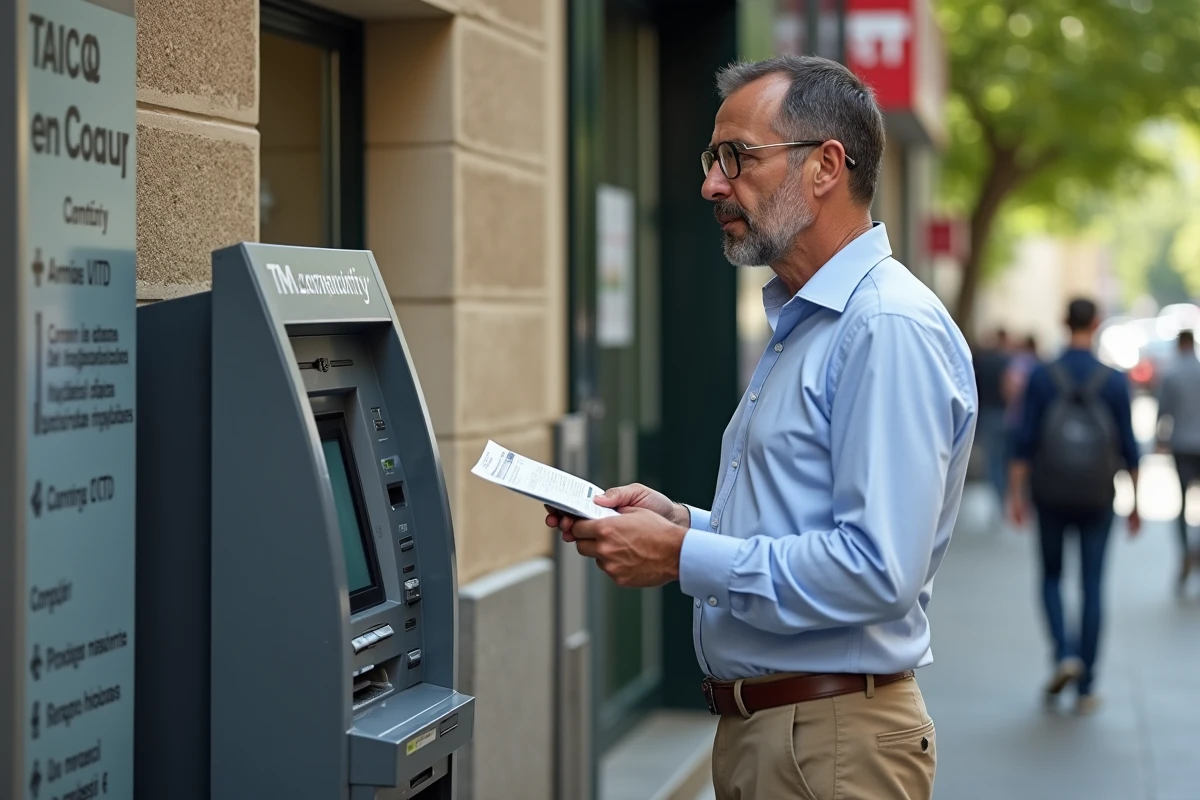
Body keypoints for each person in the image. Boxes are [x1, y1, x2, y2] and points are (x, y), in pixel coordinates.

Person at [545, 55, 977, 800]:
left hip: (830, 743)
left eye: (736, 158)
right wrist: (683, 522)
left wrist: (683, 555)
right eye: (714, 159)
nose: (713, 184)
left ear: (825, 167)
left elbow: (877, 569)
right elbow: (802, 523)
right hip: (786, 737)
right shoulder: (809, 320)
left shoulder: (885, 327)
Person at [1008, 299, 1140, 714]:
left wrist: (1015, 494)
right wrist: (1135, 501)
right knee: (1093, 584)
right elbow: (1130, 447)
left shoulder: (1044, 377)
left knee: (1050, 576)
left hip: (1050, 493)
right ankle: (1087, 684)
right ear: (1097, 323)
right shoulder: (1115, 381)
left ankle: (1064, 653)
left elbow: (1024, 440)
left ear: (1064, 323)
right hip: (1098, 496)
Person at [1156, 328, 1200, 589]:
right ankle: (1196, 550)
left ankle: (1185, 551)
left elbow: (1163, 412)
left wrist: (1158, 440)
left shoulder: (1172, 374)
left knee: (1183, 504)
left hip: (1182, 444)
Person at [975, 328, 1013, 512]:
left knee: (992, 460)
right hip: (1003, 414)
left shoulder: (983, 360)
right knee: (1003, 458)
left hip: (986, 413)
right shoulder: (1006, 361)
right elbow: (1010, 389)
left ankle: (997, 498)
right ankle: (1001, 497)